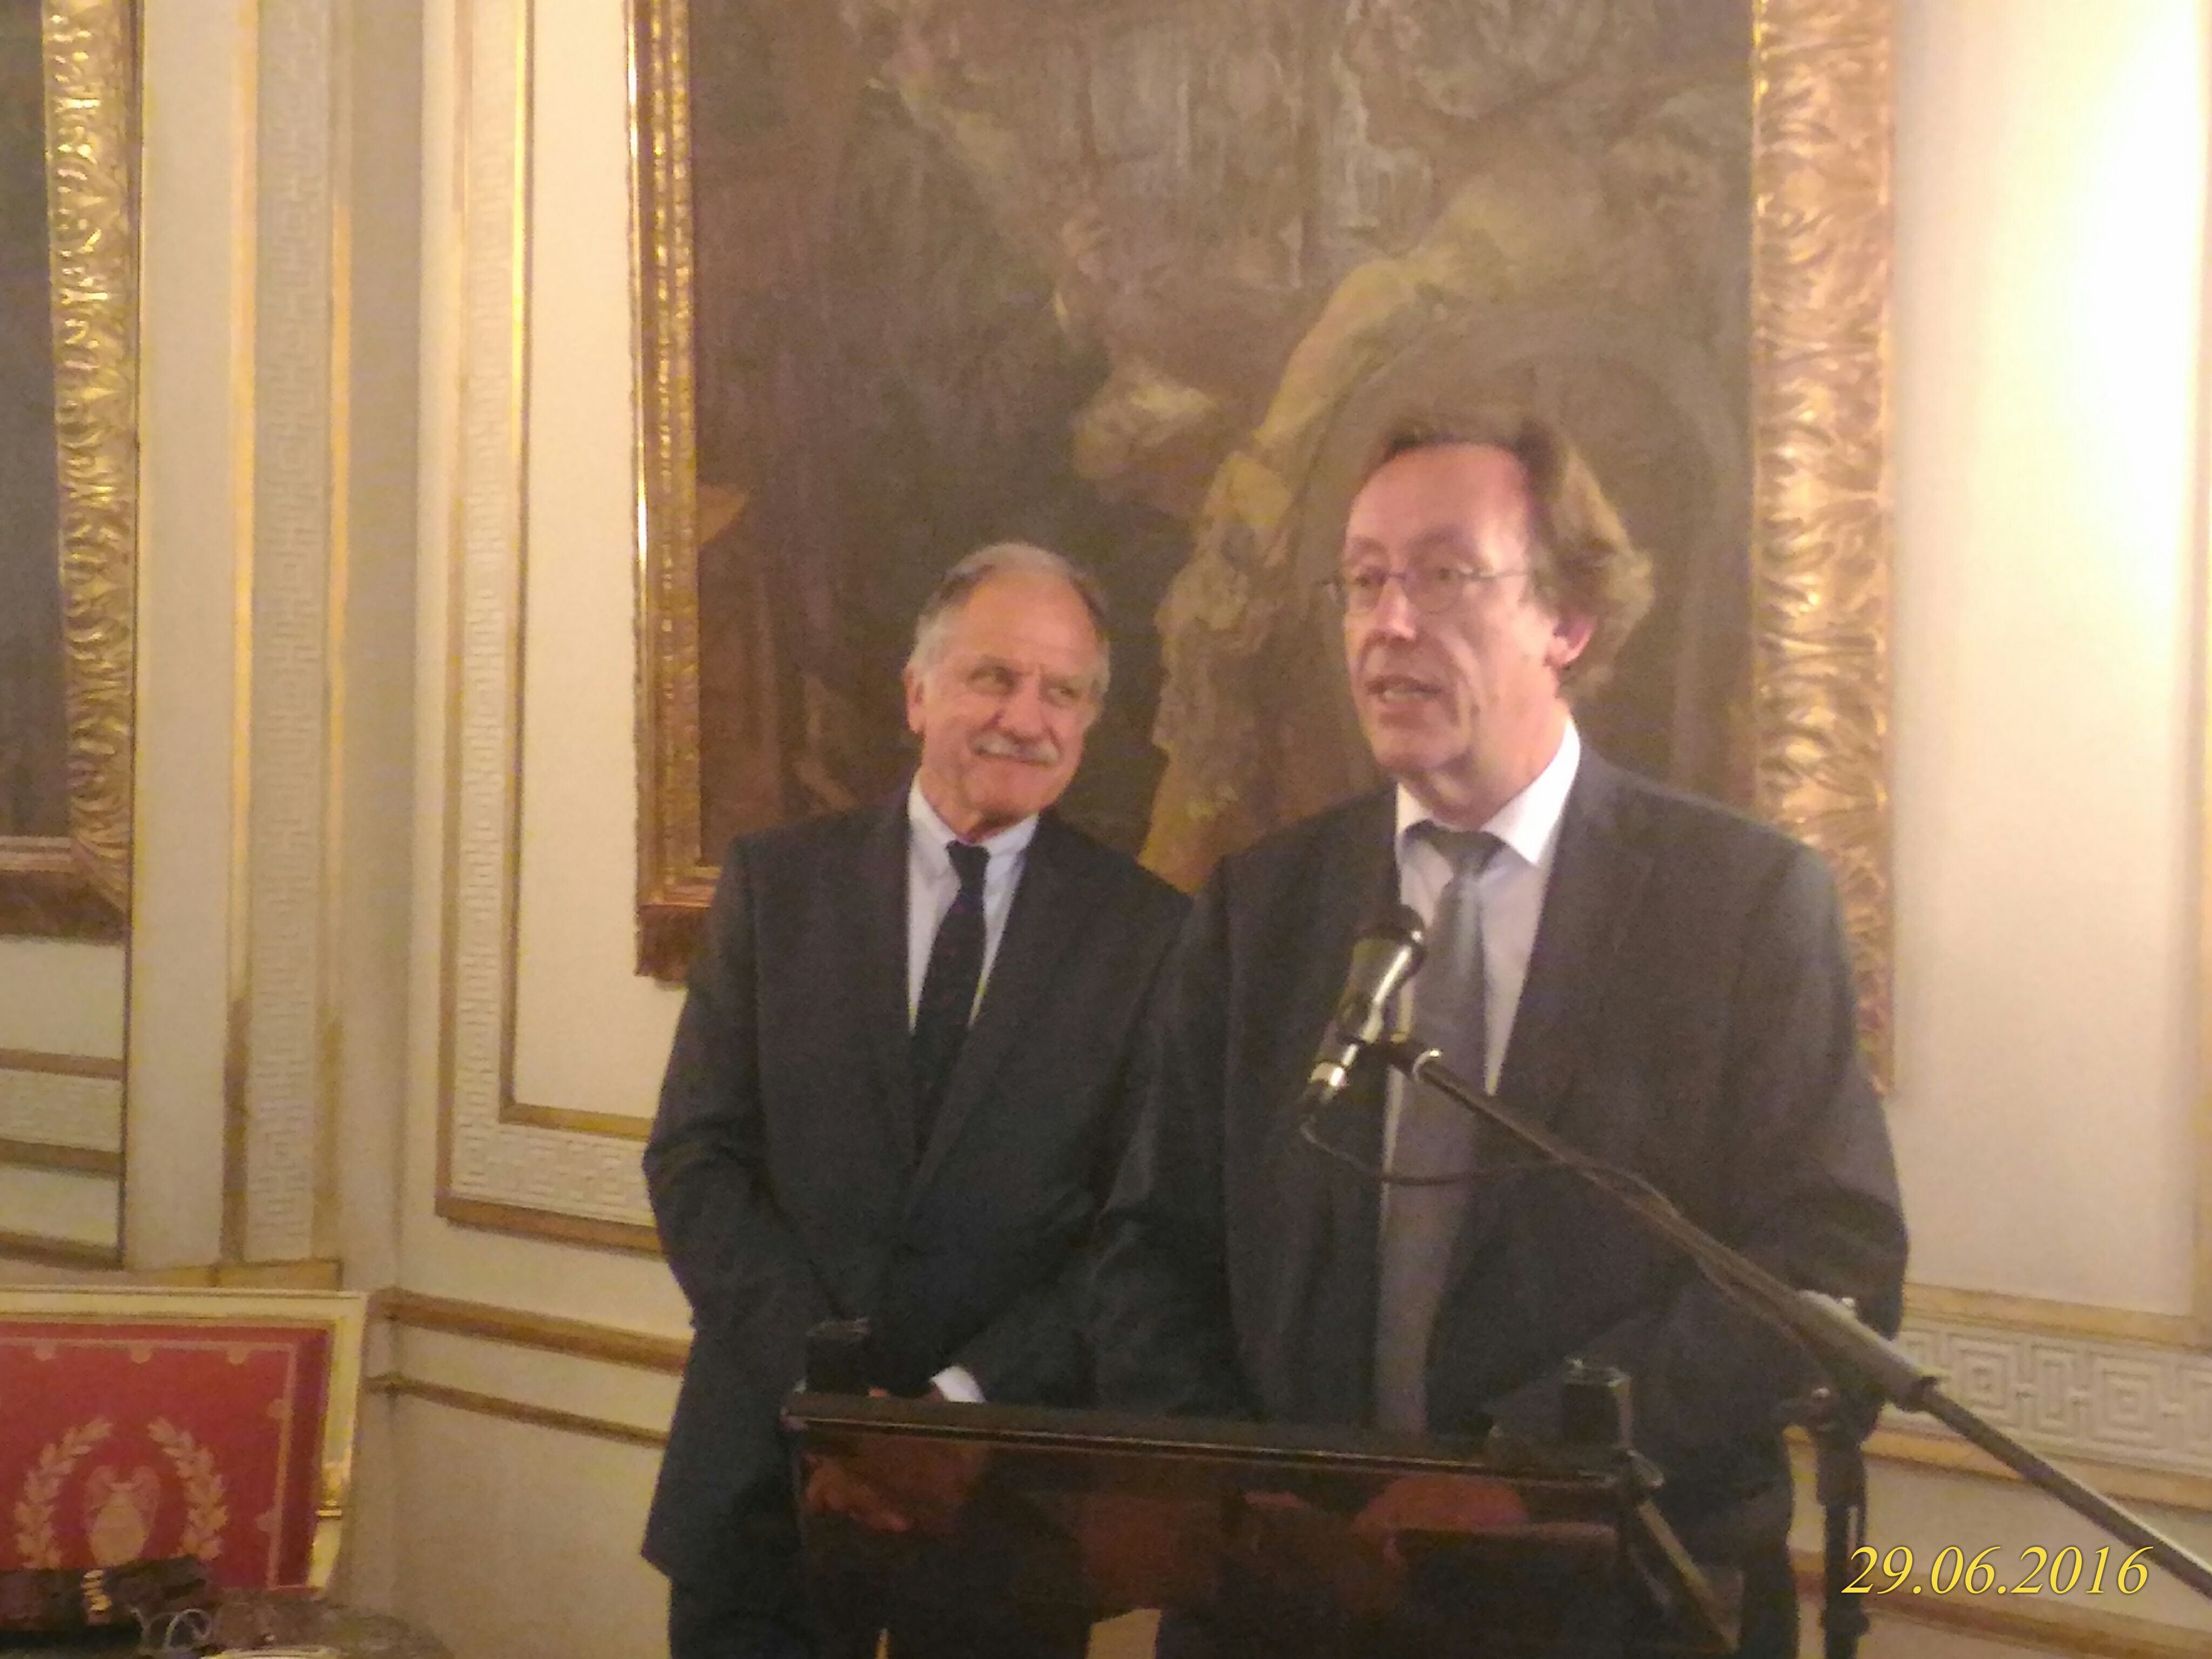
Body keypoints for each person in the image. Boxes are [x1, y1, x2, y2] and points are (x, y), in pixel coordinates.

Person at [1090, 410, 1906, 1658]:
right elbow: (1150, 1248)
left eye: (1442, 575)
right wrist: (1253, 1494)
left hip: (1607, 1598)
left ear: (1565, 620)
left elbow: (1826, 1258)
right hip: (1285, 1605)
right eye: (1361, 581)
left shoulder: (1736, 902)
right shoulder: (1264, 904)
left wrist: (1528, 1472)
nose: (1388, 622)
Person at [646, 543, 1189, 1659]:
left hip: (1001, 1515)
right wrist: (833, 1401)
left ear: (1089, 723)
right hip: (763, 1489)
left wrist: (947, 1416)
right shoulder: (777, 884)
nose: (1025, 719)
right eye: (993, 677)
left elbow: (1132, 1230)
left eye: (1062, 693)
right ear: (917, 693)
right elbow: (697, 1159)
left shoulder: (1148, 934)